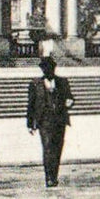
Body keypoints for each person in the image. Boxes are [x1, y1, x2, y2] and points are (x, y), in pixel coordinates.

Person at [26, 56, 75, 187]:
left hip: (59, 120)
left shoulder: (62, 82)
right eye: (45, 69)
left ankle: (54, 175)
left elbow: (70, 97)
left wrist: (70, 102)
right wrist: (30, 124)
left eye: (50, 68)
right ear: (42, 70)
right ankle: (49, 177)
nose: (48, 71)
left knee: (57, 148)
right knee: (48, 148)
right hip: (44, 121)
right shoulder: (35, 84)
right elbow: (30, 105)